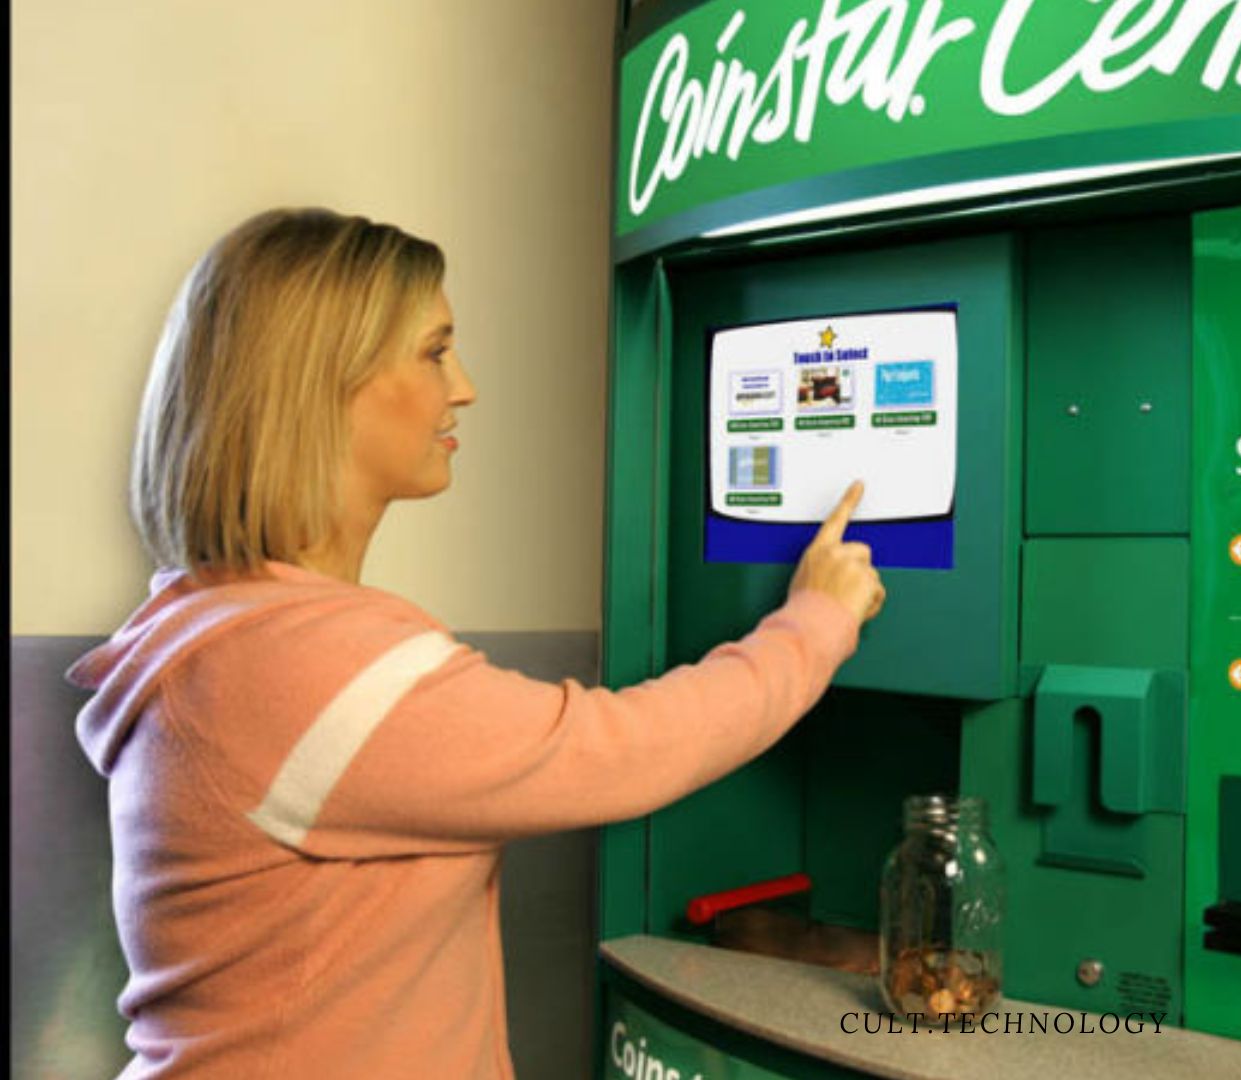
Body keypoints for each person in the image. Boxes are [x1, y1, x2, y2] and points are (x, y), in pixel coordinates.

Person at [65, 207, 886, 1078]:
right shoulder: (299, 668)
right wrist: (814, 623)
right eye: (432, 351)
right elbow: (617, 752)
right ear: (320, 382)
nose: (464, 386)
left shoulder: (215, 630)